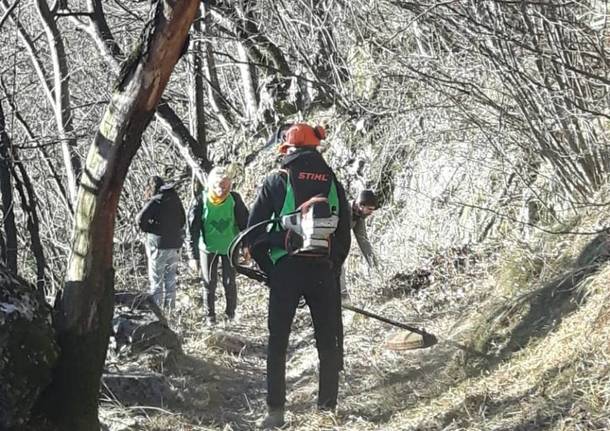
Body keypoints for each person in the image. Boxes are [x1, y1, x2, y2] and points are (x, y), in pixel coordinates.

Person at [247, 123, 351, 428]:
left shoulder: (276, 180)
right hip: (322, 271)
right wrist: (331, 266)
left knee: (278, 342)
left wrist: (272, 268)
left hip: (286, 273)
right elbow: (344, 236)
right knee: (327, 344)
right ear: (315, 148)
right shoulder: (332, 180)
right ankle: (326, 411)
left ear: (288, 150)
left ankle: (276, 413)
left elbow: (252, 235)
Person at [186, 166, 249, 325]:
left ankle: (230, 315)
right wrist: (193, 257)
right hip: (208, 248)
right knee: (209, 282)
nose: (223, 189)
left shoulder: (234, 199)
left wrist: (247, 246)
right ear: (211, 185)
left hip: (230, 246)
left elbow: (244, 223)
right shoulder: (201, 200)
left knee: (229, 281)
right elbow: (192, 229)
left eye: (227, 186)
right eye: (220, 185)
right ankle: (210, 317)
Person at [136, 176, 186, 310]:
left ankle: (157, 313)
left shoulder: (156, 201)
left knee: (156, 282)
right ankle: (171, 312)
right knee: (170, 280)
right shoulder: (175, 199)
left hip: (157, 245)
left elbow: (139, 219)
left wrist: (150, 229)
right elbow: (183, 220)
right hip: (175, 244)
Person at [340, 189, 379, 298]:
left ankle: (343, 298)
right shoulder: (343, 209)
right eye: (369, 209)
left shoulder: (359, 217)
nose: (371, 213)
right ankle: (342, 298)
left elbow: (364, 242)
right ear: (360, 205)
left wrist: (375, 267)